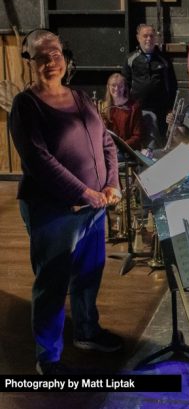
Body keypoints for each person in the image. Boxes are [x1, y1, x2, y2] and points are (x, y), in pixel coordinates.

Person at [9, 29, 123, 375]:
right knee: (52, 282)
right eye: (41, 57)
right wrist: (83, 193)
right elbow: (39, 161)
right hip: (53, 211)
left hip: (94, 208)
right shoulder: (26, 106)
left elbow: (106, 142)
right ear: (29, 62)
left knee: (89, 273)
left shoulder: (80, 97)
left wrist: (112, 183)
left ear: (65, 56)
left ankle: (87, 331)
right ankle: (48, 357)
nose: (51, 62)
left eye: (55, 54)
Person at [122, 23, 177, 142]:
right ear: (138, 38)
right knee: (139, 141)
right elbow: (125, 85)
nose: (149, 39)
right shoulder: (130, 59)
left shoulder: (164, 59)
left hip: (160, 110)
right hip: (138, 110)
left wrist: (171, 108)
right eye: (145, 36)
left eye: (151, 36)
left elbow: (173, 85)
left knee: (160, 143)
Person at [101, 72, 144, 150]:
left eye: (120, 86)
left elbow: (137, 136)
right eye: (113, 85)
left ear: (125, 88)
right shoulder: (104, 107)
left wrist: (121, 147)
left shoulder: (134, 107)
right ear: (108, 87)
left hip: (127, 150)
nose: (116, 89)